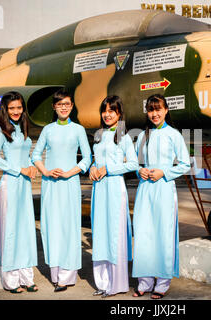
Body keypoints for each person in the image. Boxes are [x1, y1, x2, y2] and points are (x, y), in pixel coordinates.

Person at [32, 89, 92, 292]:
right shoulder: (47, 129)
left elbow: (87, 158)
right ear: (54, 107)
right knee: (51, 226)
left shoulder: (78, 130)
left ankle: (67, 276)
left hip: (70, 184)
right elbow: (36, 156)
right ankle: (55, 273)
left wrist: (70, 172)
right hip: (50, 185)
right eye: (60, 104)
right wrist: (46, 171)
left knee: (69, 226)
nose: (64, 107)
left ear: (72, 106)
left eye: (67, 104)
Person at [132, 94, 191, 299]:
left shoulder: (174, 135)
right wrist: (140, 170)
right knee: (143, 234)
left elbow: (185, 164)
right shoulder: (142, 136)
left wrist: (164, 172)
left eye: (158, 109)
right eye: (150, 110)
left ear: (166, 110)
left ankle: (162, 283)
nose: (154, 114)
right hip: (145, 190)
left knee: (163, 235)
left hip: (164, 189)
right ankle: (145, 281)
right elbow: (136, 163)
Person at [0, 91, 38, 294]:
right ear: (5, 110)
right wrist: (18, 169)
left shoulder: (22, 129)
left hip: (24, 186)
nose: (16, 111)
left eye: (19, 107)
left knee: (25, 231)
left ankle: (26, 277)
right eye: (12, 108)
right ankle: (11, 280)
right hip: (10, 185)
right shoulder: (2, 131)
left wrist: (31, 166)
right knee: (11, 232)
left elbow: (26, 155)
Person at [89, 95, 138, 298]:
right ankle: (102, 282)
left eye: (112, 111)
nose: (107, 114)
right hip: (98, 189)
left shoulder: (123, 136)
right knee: (100, 233)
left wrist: (108, 169)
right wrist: (92, 167)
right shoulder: (98, 134)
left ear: (119, 114)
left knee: (115, 234)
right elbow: (96, 159)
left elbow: (133, 164)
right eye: (104, 110)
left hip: (115, 188)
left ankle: (117, 283)